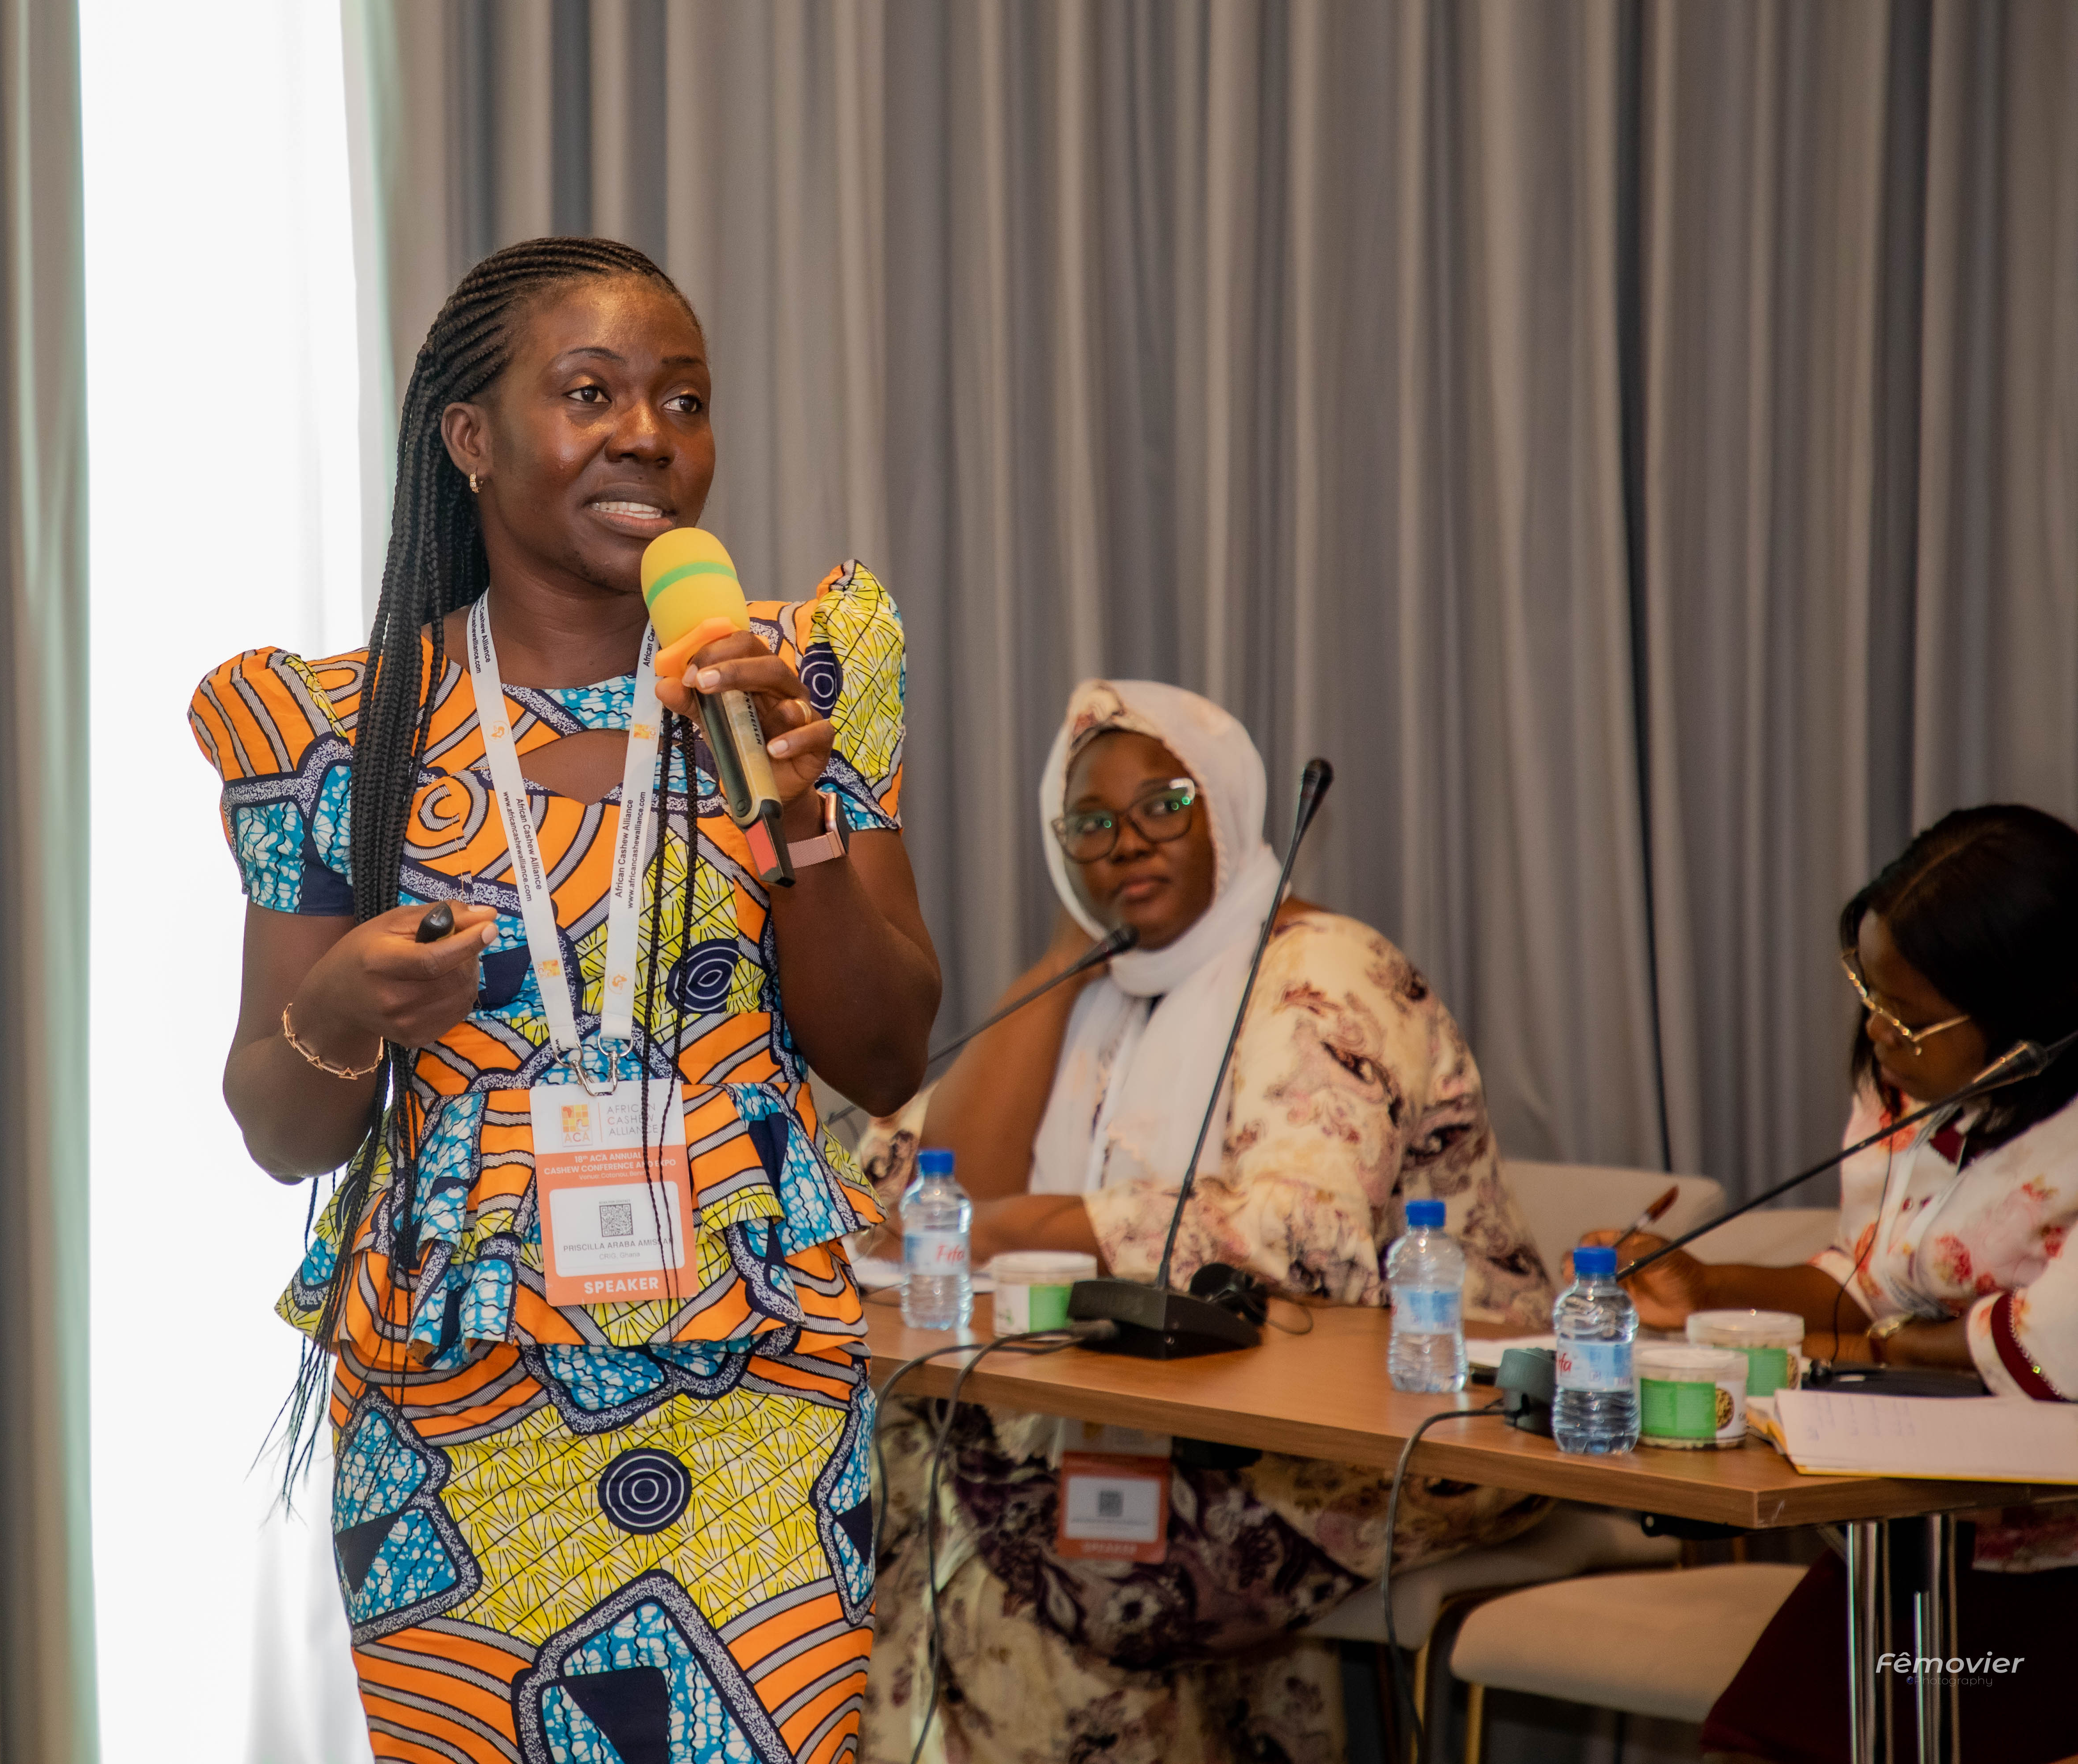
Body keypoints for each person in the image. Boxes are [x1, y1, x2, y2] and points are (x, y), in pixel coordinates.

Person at [190, 237, 941, 1764]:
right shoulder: (344, 729)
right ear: (470, 438)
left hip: (759, 1388)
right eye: (590, 393)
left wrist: (794, 816)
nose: (648, 436)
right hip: (458, 1418)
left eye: (684, 400)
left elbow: (884, 1050)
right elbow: (281, 1130)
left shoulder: (794, 680)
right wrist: (340, 999)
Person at [863, 678, 1552, 1764]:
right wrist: (1065, 954)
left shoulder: (1323, 971)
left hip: (1415, 1429)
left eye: (1164, 805)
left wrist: (1040, 1224)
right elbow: (912, 1187)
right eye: (1089, 825)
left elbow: (1301, 1235)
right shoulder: (1107, 983)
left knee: (1054, 1566)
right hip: (1166, 1410)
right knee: (887, 1479)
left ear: (1228, 803)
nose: (1127, 842)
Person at [1597, 805, 2078, 1764]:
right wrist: (1704, 1287)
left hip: (2051, 1568)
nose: (1877, 1030)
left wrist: (1872, 1348)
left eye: (1911, 1016)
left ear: (2029, 1012)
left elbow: (2043, 1345)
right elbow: (1866, 1284)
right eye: (1870, 991)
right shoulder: (1911, 1091)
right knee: (1746, 1746)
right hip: (1906, 1539)